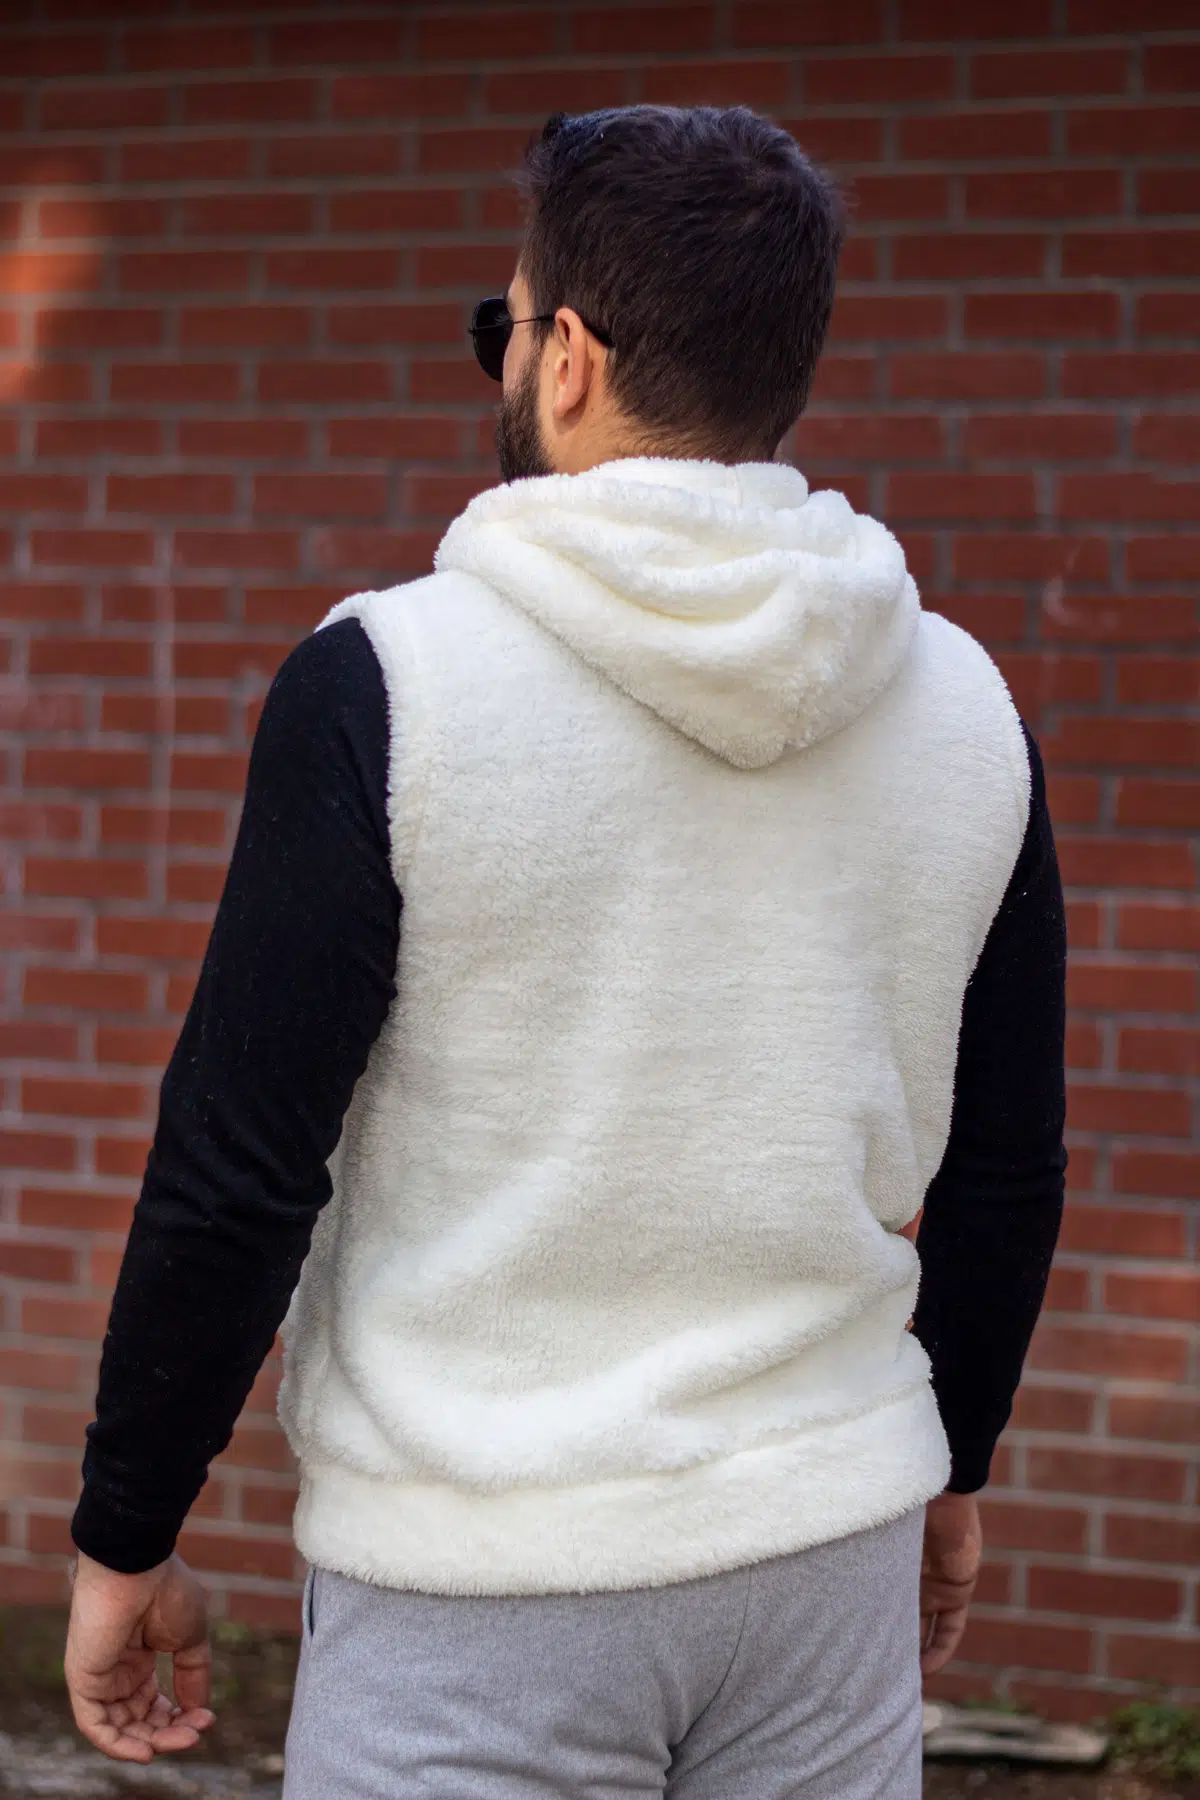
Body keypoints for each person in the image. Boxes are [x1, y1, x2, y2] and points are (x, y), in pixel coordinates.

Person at [64, 106, 1066, 1800]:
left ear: (575, 358)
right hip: (826, 1553)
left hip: (482, 1585)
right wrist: (951, 1463)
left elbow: (240, 1168)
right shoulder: (965, 706)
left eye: (507, 325)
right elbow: (1008, 1167)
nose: (508, 356)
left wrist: (126, 1528)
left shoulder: (389, 688)